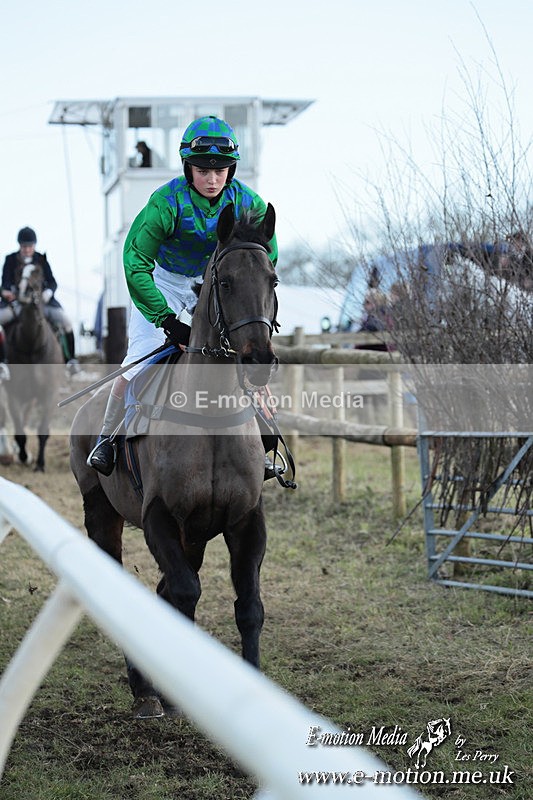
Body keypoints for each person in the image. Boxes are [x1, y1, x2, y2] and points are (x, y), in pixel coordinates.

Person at [88, 115, 278, 476]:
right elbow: (135, 262)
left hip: (217, 284)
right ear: (188, 168)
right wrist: (166, 320)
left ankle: (263, 444)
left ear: (231, 170)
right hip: (164, 282)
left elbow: (265, 262)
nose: (212, 179)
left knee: (244, 354)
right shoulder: (165, 202)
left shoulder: (250, 203)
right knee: (139, 359)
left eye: (220, 170)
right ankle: (107, 438)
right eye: (203, 170)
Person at [0, 227, 77, 366]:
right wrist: (7, 292)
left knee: (66, 322)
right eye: (24, 246)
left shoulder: (41, 259)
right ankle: (2, 362)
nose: (27, 249)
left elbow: (52, 282)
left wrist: (48, 292)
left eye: (30, 246)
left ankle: (70, 360)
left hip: (42, 304)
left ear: (34, 245)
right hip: (16, 304)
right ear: (19, 246)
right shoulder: (10, 259)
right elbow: (5, 283)